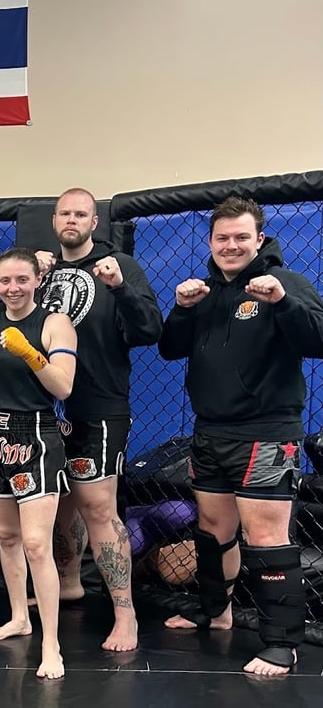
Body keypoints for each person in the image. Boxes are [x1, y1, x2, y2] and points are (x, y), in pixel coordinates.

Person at [158, 196, 323, 676]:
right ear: (211, 242)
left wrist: (283, 302)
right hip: (210, 430)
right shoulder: (204, 291)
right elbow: (169, 349)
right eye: (222, 238)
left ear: (260, 239)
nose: (231, 246)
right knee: (213, 530)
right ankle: (217, 612)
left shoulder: (286, 282)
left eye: (241, 237)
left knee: (266, 537)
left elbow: (318, 339)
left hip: (267, 432)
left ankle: (282, 644)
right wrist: (182, 309)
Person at [34, 187, 162, 651]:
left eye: (81, 214)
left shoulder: (119, 265)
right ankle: (70, 583)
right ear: (54, 221)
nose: (72, 220)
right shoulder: (42, 271)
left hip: (99, 405)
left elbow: (150, 330)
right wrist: (34, 279)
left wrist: (119, 286)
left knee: (99, 508)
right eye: (64, 213)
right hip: (48, 405)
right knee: (60, 503)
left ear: (94, 223)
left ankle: (126, 615)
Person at [0, 247, 77, 680]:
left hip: (36, 435)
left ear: (37, 281)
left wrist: (30, 353)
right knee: (8, 538)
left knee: (36, 544)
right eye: (5, 281)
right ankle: (18, 618)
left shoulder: (54, 323)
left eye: (22, 280)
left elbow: (63, 387)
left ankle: (52, 644)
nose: (13, 288)